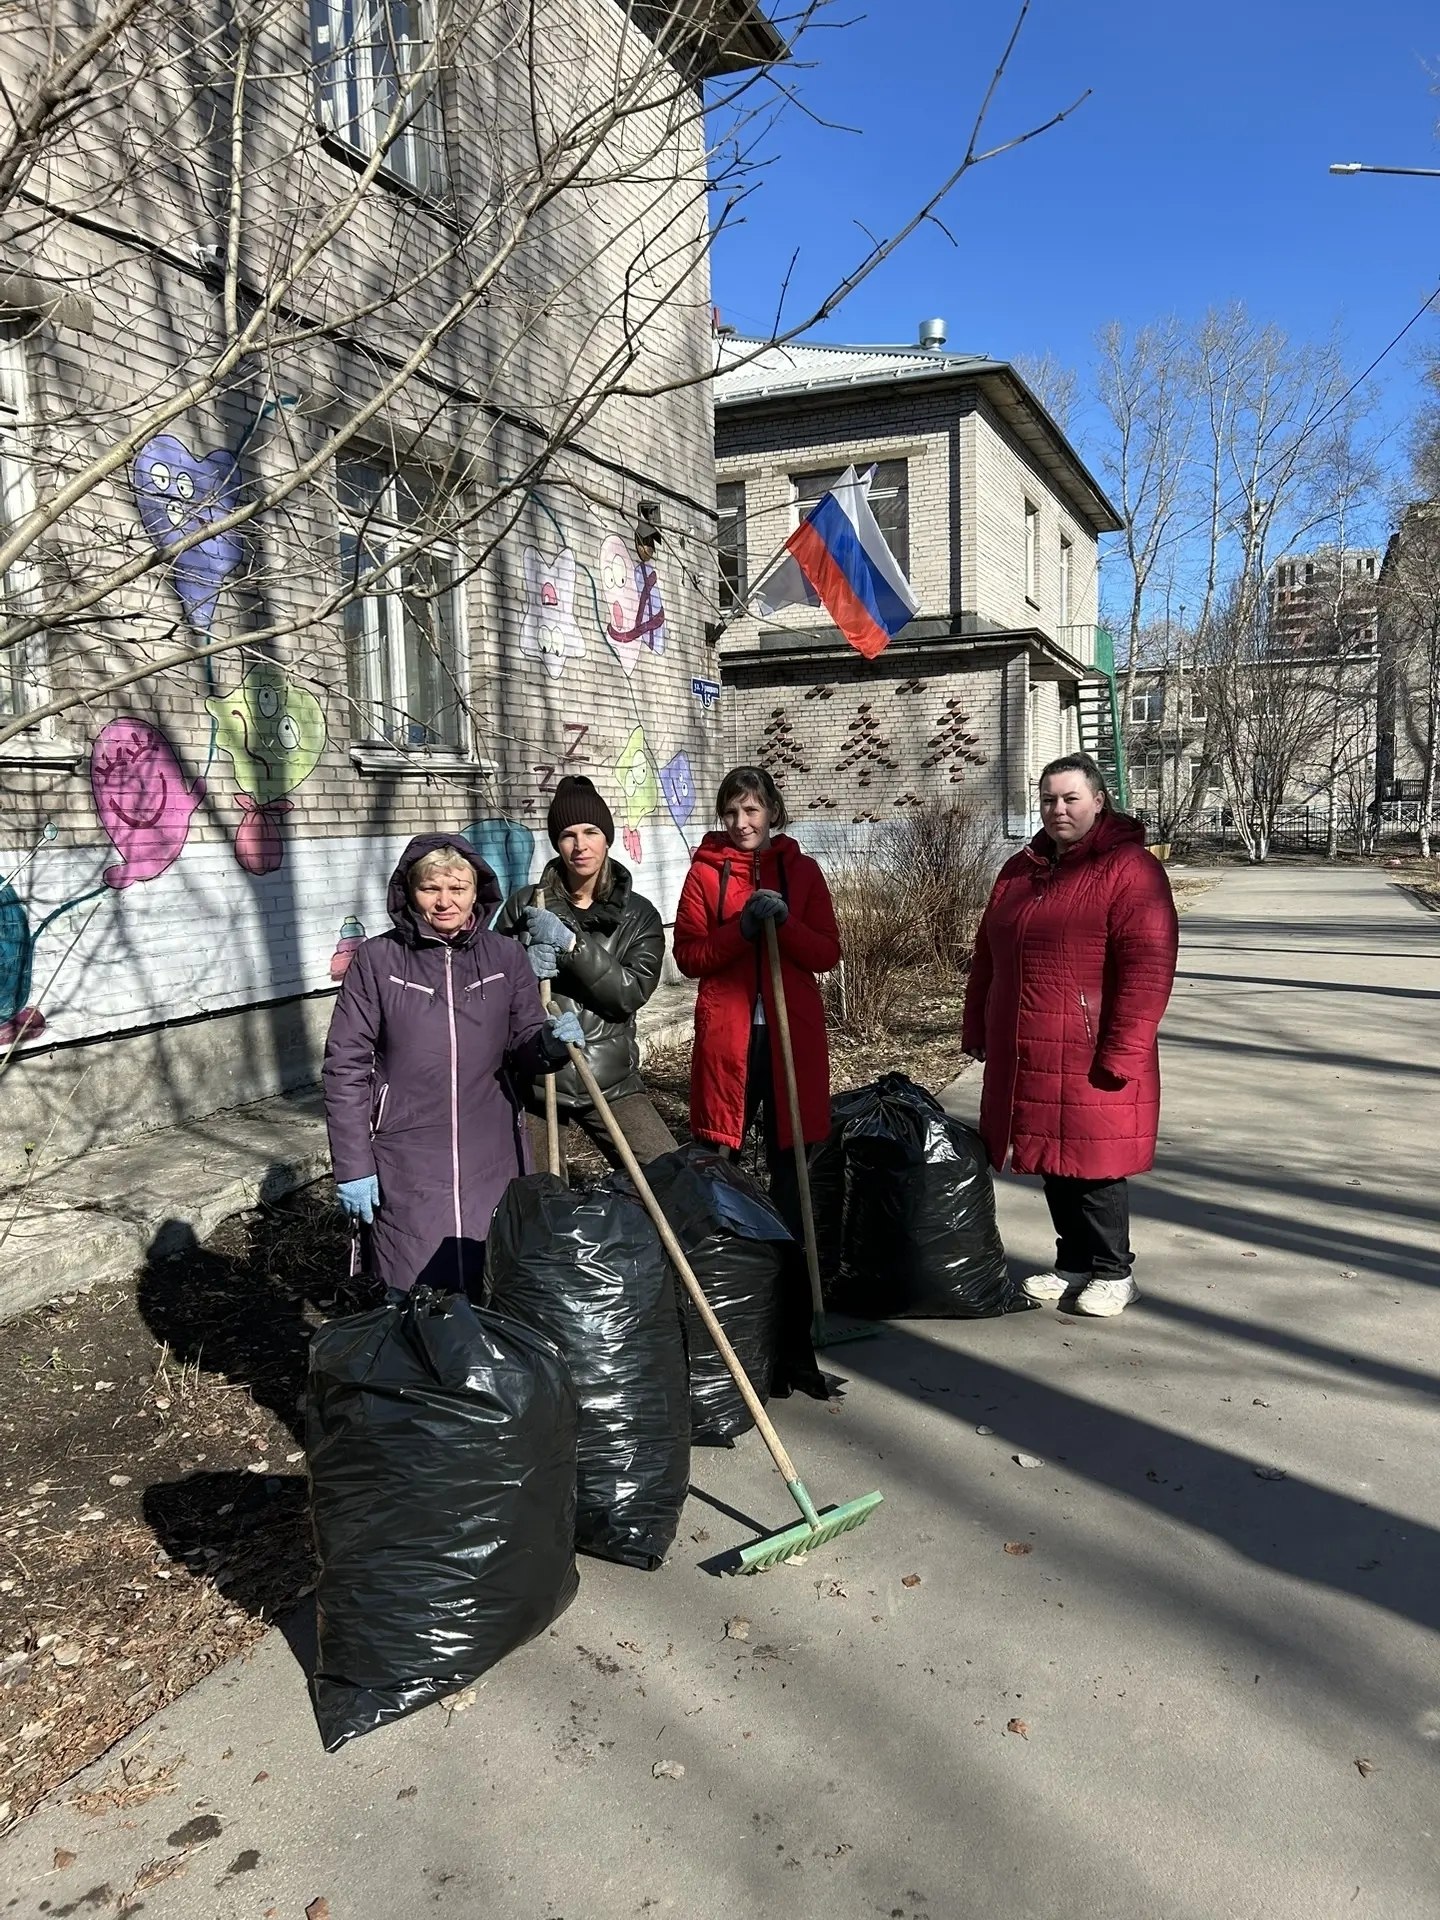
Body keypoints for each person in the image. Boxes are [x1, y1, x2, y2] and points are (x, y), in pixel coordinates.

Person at [322, 832, 586, 1298]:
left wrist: (549, 1044)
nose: (445, 902)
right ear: (410, 892)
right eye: (431, 889)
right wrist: (353, 1165)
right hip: (407, 1154)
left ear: (476, 892)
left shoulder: (504, 956)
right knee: (414, 1287)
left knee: (494, 1277)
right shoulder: (378, 960)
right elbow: (345, 1066)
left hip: (493, 1149)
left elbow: (524, 1042)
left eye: (458, 888)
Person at [961, 753, 1179, 1318]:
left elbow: (1148, 970)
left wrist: (1124, 1048)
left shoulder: (1129, 870)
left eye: (1070, 798)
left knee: (1095, 1165)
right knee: (1051, 1158)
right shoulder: (1020, 869)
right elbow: (987, 956)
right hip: (1027, 1043)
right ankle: (1074, 1263)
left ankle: (1115, 1272)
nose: (1058, 809)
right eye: (1049, 799)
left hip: (1091, 1045)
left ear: (1098, 801)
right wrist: (977, 1023)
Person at [673, 765, 841, 1397]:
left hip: (791, 1043)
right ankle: (724, 1311)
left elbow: (826, 952)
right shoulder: (705, 872)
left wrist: (784, 924)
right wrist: (740, 929)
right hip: (730, 1042)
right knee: (721, 1168)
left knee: (792, 1172)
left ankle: (794, 1332)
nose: (742, 823)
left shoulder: (803, 871)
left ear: (772, 811)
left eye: (753, 810)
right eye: (732, 812)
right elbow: (689, 955)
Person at [494, 774, 676, 1176]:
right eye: (568, 835)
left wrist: (572, 946)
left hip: (610, 1080)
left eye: (591, 832)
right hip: (538, 1080)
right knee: (535, 1197)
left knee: (668, 1178)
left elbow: (628, 993)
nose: (580, 846)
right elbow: (488, 987)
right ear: (556, 842)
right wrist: (521, 970)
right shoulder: (526, 906)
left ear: (606, 838)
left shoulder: (638, 915)